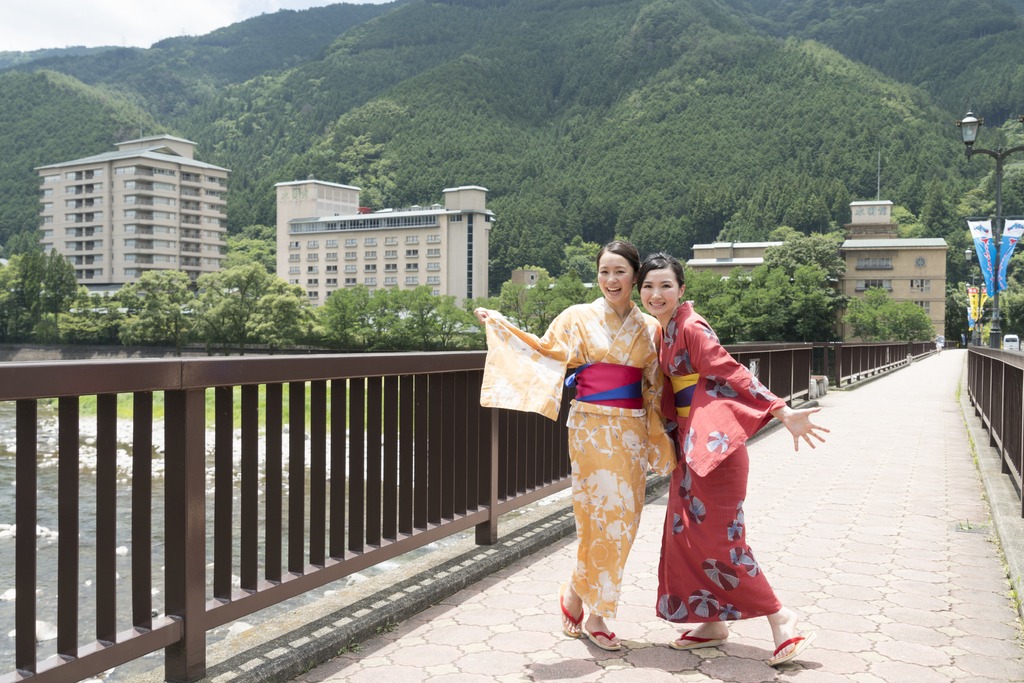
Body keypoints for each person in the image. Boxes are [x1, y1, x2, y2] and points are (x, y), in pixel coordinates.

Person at [474, 240, 675, 652]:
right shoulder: (576, 317)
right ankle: (598, 615)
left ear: (634, 276)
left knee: (625, 522)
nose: (611, 280)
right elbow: (543, 350)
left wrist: (661, 441)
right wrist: (500, 324)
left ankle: (574, 591)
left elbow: (655, 389)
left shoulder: (649, 328)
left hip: (632, 430)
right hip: (589, 428)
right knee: (595, 516)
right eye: (604, 272)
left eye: (619, 272)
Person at [636, 252, 829, 667]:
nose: (656, 293)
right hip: (691, 445)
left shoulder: (690, 326)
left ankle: (781, 618)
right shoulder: (664, 331)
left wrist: (781, 409)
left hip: (715, 449)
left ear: (682, 290)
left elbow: (727, 368)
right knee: (683, 534)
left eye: (666, 285)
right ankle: (711, 621)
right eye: (649, 286)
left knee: (722, 540)